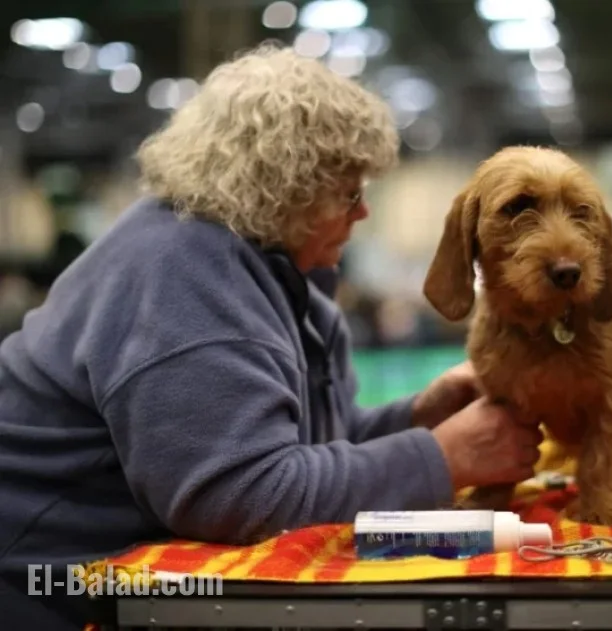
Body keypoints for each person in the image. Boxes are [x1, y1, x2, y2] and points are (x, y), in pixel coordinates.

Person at [0, 44, 542, 630]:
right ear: (284, 192)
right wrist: (443, 457)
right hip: (47, 585)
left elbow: (296, 445)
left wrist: (417, 419)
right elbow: (242, 497)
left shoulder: (271, 271)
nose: (362, 214)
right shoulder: (184, 277)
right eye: (350, 193)